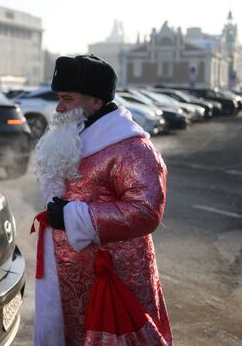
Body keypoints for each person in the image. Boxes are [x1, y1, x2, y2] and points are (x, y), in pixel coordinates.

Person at [32, 54, 172, 345]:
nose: (58, 108)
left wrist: (75, 217)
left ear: (96, 101)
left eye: (68, 98)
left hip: (113, 280)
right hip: (70, 282)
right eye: (59, 97)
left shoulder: (132, 148)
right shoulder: (74, 135)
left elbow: (146, 210)